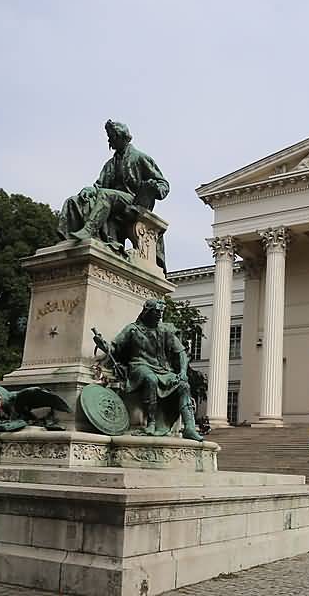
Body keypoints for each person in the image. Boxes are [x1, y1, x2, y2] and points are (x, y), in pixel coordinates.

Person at [58, 119, 170, 268]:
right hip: (111, 200)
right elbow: (99, 185)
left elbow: (164, 185)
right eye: (109, 137)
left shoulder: (140, 158)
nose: (110, 141)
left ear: (122, 137)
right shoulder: (110, 164)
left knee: (106, 195)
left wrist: (153, 188)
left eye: (112, 137)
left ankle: (89, 230)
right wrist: (89, 190)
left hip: (133, 201)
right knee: (73, 200)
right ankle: (68, 237)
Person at [105, 299, 203, 441]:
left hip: (162, 369)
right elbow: (115, 347)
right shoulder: (133, 329)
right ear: (147, 312)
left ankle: (189, 428)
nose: (159, 315)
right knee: (151, 379)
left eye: (161, 312)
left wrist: (183, 372)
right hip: (139, 366)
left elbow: (181, 352)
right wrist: (105, 346)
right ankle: (151, 423)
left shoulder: (164, 330)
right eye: (156, 312)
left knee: (183, 386)